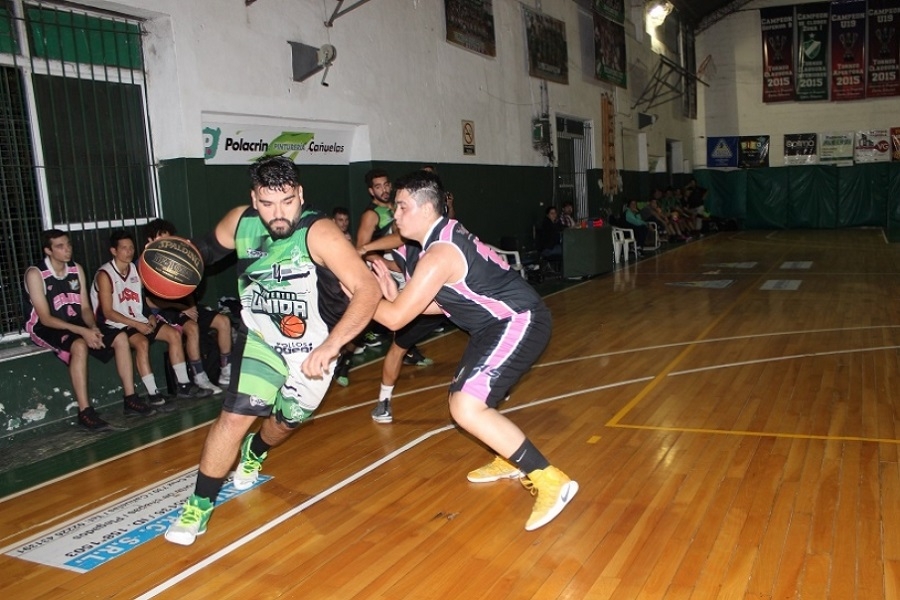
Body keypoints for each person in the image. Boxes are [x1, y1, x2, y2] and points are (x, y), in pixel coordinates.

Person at [164, 156, 381, 545]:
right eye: (267, 203)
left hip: (313, 348)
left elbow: (368, 289)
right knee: (234, 417)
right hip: (262, 338)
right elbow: (202, 252)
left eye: (287, 201)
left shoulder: (320, 233)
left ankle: (257, 450)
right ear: (254, 199)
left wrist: (333, 344)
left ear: (300, 194)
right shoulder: (241, 222)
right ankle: (198, 505)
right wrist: (171, 257)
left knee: (285, 422)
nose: (278, 213)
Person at [368, 170, 578, 531]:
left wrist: (361, 296)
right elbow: (443, 301)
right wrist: (394, 295)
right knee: (463, 398)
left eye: (401, 207)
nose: (395, 215)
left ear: (426, 208)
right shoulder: (443, 237)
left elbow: (395, 319)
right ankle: (509, 457)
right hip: (491, 326)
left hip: (517, 320)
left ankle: (548, 478)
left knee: (467, 406)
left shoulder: (439, 254)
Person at [23, 229, 154, 430]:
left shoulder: (76, 269)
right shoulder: (36, 274)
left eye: (68, 244)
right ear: (48, 251)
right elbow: (46, 318)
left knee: (120, 337)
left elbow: (85, 308)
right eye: (60, 246)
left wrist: (92, 327)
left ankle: (130, 399)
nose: (67, 249)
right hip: (44, 327)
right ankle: (85, 412)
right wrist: (83, 332)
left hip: (75, 321)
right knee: (79, 346)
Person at [91, 230, 212, 408]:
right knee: (142, 343)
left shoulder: (136, 269)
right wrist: (137, 324)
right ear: (113, 251)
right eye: (124, 248)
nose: (129, 251)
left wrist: (149, 316)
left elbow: (142, 299)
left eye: (131, 247)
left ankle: (184, 385)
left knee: (173, 335)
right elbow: (107, 312)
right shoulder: (105, 275)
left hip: (136, 318)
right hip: (114, 324)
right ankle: (153, 394)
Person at [143, 219, 234, 393]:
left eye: (169, 240)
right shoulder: (147, 264)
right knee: (192, 328)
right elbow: (151, 302)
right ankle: (200, 377)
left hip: (183, 306)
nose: (166, 244)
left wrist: (191, 305)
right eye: (162, 240)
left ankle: (226, 372)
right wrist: (182, 307)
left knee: (224, 321)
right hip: (164, 312)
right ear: (150, 240)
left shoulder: (175, 260)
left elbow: (188, 287)